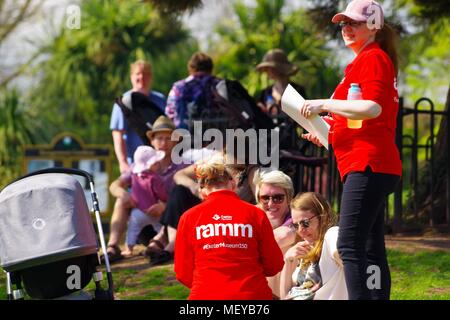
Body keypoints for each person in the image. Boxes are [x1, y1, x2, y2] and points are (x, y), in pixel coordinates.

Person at [299, 0, 401, 300]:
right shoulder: (361, 62)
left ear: (372, 26)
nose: (345, 28)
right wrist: (326, 133)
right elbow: (360, 117)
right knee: (369, 245)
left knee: (349, 245)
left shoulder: (373, 58)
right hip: (370, 163)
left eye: (353, 23)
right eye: (343, 23)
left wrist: (324, 103)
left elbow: (372, 107)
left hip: (369, 164)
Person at [174, 161, 284, 300]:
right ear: (233, 184)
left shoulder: (188, 218)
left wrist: (209, 286)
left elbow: (182, 272)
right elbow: (274, 265)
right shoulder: (255, 214)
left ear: (202, 191)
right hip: (252, 295)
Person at [104, 116, 183, 262]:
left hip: (166, 224)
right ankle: (112, 246)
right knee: (121, 200)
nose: (164, 143)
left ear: (176, 140)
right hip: (141, 224)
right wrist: (124, 195)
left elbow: (184, 198)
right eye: (159, 138)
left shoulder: (181, 165)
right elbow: (114, 185)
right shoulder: (140, 164)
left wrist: (165, 207)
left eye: (168, 138)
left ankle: (162, 245)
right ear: (152, 141)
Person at [280, 192, 348, 300]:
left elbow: (347, 261)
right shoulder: (304, 250)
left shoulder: (331, 235)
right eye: (296, 225)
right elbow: (285, 297)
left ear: (322, 217)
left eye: (305, 223)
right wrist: (287, 261)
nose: (300, 231)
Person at [109, 146, 168, 256]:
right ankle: (163, 244)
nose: (158, 164)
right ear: (151, 165)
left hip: (137, 212)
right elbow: (162, 194)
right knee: (160, 228)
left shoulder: (134, 175)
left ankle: (128, 249)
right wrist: (164, 201)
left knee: (132, 230)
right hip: (153, 210)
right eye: (155, 163)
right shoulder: (154, 177)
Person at [110, 60, 166, 174]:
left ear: (151, 77)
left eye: (145, 74)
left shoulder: (160, 100)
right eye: (138, 73)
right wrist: (123, 162)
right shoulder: (124, 102)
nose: (142, 77)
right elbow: (118, 134)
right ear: (131, 77)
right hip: (136, 165)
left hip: (159, 164)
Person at [254, 169, 297, 299]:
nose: (271, 203)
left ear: (289, 198)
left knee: (288, 249)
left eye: (278, 198)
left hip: (286, 287)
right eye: (265, 198)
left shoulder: (297, 216)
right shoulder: (250, 215)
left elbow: (283, 235)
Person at [165, 52, 220, 130]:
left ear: (190, 68)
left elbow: (170, 114)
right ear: (211, 69)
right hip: (219, 136)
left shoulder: (178, 87)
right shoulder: (219, 84)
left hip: (186, 137)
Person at [256, 48, 307, 117]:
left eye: (268, 68)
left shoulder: (297, 90)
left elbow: (305, 114)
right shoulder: (266, 92)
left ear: (278, 68)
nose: (266, 71)